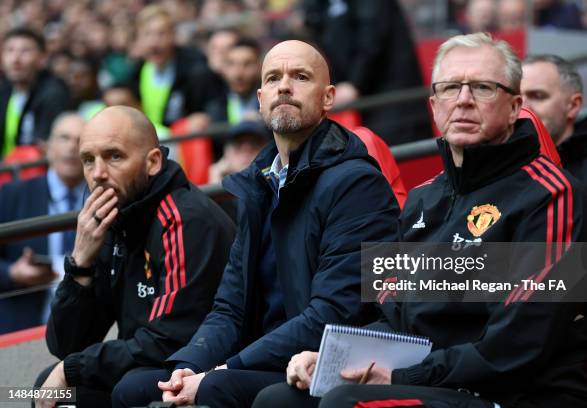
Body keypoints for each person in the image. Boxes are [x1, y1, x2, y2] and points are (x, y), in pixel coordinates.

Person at [254, 32, 587, 408]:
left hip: (522, 395)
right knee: (279, 399)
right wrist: (333, 357)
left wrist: (405, 376)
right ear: (434, 105)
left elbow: (519, 342)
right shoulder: (422, 199)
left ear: (515, 106)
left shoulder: (553, 195)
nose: (464, 100)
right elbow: (393, 315)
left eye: (483, 88)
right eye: (451, 88)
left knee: (346, 402)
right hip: (439, 385)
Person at [111, 39, 399, 408]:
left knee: (218, 389)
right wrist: (189, 366)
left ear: (328, 98)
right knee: (133, 388)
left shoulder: (357, 183)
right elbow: (229, 307)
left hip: (320, 363)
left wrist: (222, 369)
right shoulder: (257, 183)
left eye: (300, 76)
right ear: (260, 99)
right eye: (274, 78)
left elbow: (332, 314)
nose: (284, 86)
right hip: (261, 358)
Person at [34, 106, 235, 407]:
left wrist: (72, 368)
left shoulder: (184, 219)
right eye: (88, 160)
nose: (98, 174)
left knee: (129, 388)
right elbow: (67, 345)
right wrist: (80, 265)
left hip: (204, 366)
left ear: (153, 161)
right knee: (52, 388)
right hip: (150, 362)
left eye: (114, 156)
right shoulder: (114, 218)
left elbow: (170, 338)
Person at [0, 113, 86, 334]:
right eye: (64, 138)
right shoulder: (13, 193)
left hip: (86, 326)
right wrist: (13, 273)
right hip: (24, 323)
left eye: (80, 140)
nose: (72, 147)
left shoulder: (103, 195)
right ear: (46, 147)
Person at [302, 0, 432, 145]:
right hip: (360, 103)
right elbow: (316, 26)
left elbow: (372, 36)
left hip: (392, 102)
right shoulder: (319, 6)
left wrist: (354, 84)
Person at [521, 54, 587, 197]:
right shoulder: (502, 163)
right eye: (517, 99)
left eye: (538, 96)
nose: (523, 109)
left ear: (573, 106)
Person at [130, 5, 207, 129]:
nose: (154, 42)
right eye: (147, 34)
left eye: (161, 34)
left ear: (173, 35)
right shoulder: (138, 69)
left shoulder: (194, 68)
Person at [0, 27, 70, 158]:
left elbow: (44, 150)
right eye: (9, 50)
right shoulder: (5, 90)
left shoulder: (53, 94)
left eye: (25, 51)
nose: (15, 59)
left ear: (42, 58)